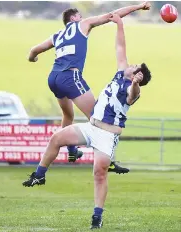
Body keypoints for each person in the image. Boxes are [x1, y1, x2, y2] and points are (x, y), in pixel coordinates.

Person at [23, 13, 152, 230]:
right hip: (91, 127)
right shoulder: (121, 73)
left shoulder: (131, 87)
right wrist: (119, 24)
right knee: (56, 138)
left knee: (99, 174)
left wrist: (137, 83)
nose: (131, 64)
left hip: (107, 136)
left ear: (136, 75)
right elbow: (120, 48)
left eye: (135, 66)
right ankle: (39, 176)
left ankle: (97, 217)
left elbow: (132, 94)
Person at [27, 2, 151, 173]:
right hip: (70, 77)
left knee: (68, 115)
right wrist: (138, 6)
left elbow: (34, 50)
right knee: (97, 116)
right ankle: (109, 160)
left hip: (53, 78)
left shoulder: (57, 35)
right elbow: (112, 15)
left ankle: (71, 151)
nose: (82, 18)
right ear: (73, 18)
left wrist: (32, 58)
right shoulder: (82, 25)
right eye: (79, 15)